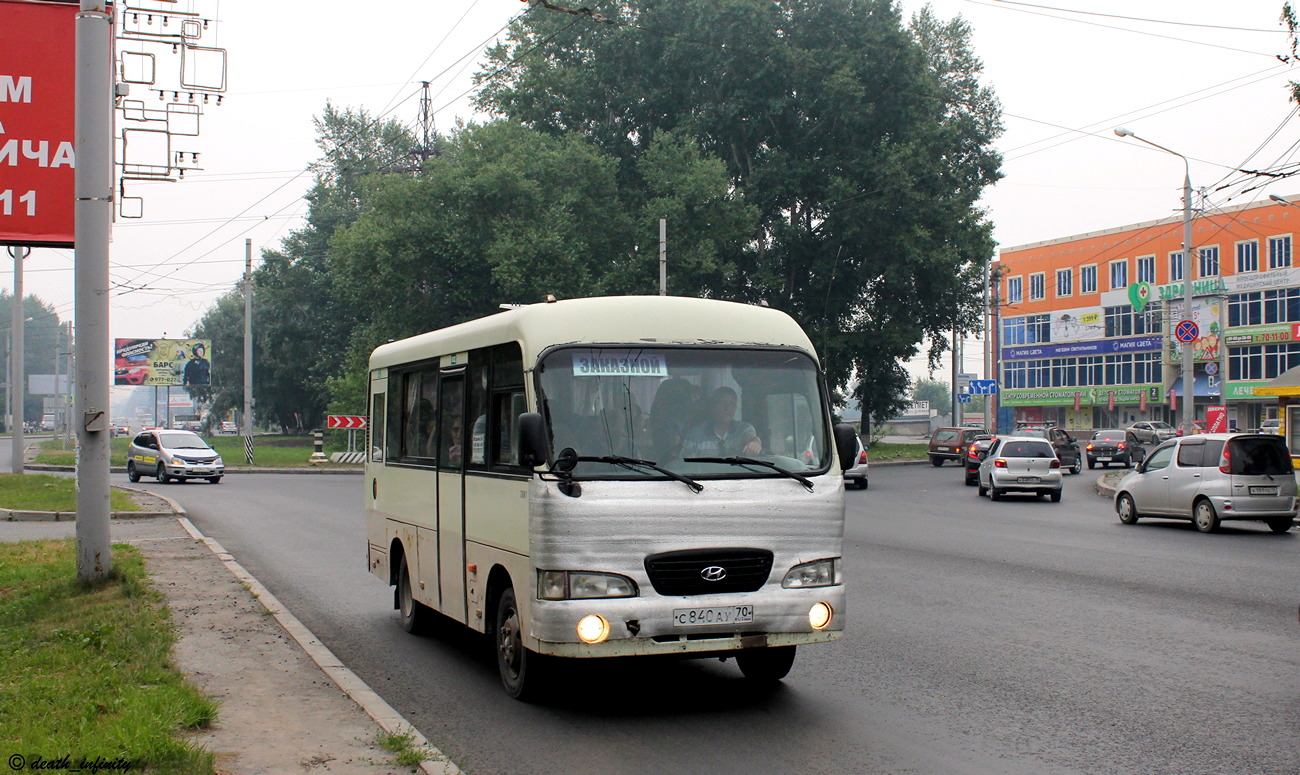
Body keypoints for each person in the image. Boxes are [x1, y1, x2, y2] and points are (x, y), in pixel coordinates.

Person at [680, 386, 762, 458]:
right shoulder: (695, 434)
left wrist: (755, 444)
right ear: (713, 406)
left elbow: (752, 439)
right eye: (723, 403)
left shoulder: (744, 429)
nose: (728, 408)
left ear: (735, 407)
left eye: (732, 404)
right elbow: (686, 467)